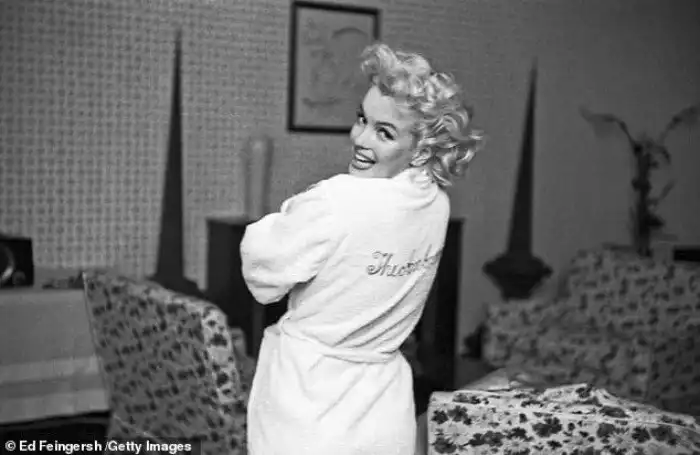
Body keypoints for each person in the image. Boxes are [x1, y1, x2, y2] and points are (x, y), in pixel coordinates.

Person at [241, 42, 484, 455]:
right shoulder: (436, 205)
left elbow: (262, 274)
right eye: (361, 119)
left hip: (310, 397)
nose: (359, 137)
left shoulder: (336, 201)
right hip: (383, 403)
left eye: (384, 132)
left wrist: (292, 213)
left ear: (421, 149)